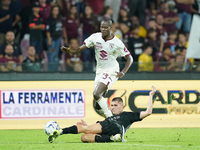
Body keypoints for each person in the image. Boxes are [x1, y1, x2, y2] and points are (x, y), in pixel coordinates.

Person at [61, 18, 133, 118]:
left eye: (105, 28)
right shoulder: (95, 37)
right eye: (101, 27)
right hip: (100, 71)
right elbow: (79, 49)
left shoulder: (117, 42)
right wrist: (70, 51)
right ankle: (113, 122)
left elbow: (130, 58)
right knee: (97, 105)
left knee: (96, 94)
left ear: (111, 28)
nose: (103, 29)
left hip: (112, 70)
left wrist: (123, 71)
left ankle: (113, 121)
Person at [48, 86, 156, 143]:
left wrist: (151, 95)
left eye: (115, 105)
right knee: (84, 137)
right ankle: (112, 139)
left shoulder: (128, 115)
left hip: (116, 127)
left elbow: (148, 112)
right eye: (112, 105)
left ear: (122, 106)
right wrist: (88, 127)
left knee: (86, 128)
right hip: (111, 132)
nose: (112, 107)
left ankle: (61, 131)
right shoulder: (110, 116)